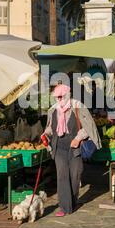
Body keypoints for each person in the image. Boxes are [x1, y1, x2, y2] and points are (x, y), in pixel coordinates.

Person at [42, 84, 101, 217]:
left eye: (61, 96)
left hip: (75, 146)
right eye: (56, 97)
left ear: (67, 95)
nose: (58, 99)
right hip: (59, 146)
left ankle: (73, 202)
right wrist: (45, 133)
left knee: (75, 175)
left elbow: (89, 126)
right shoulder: (53, 110)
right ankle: (64, 207)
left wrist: (78, 138)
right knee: (62, 175)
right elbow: (51, 127)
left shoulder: (78, 107)